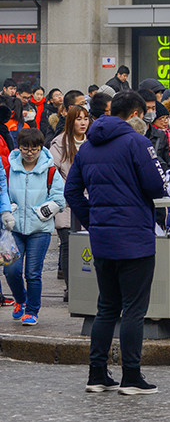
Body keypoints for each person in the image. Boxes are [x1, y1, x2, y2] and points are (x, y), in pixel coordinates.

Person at [64, 90, 167, 395]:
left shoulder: (88, 147)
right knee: (134, 308)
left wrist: (93, 219)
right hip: (135, 235)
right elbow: (155, 185)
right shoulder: (138, 142)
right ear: (135, 114)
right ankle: (131, 376)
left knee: (107, 307)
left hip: (103, 238)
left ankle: (97, 373)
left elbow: (72, 192)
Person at [3, 127, 66, 325]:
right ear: (19, 147)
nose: (30, 153)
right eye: (25, 148)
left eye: (34, 149)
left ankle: (32, 310)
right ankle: (20, 300)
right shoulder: (8, 170)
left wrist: (42, 212)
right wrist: (9, 209)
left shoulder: (50, 170)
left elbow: (59, 199)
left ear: (41, 148)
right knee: (10, 270)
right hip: (14, 230)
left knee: (33, 272)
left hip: (40, 230)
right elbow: (2, 193)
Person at [49, 104, 89, 297]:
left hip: (89, 199)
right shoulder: (59, 144)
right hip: (65, 200)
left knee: (87, 243)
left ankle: (87, 285)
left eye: (85, 118)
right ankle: (71, 287)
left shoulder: (93, 142)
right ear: (70, 121)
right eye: (78, 119)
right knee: (67, 243)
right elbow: (53, 173)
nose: (83, 123)